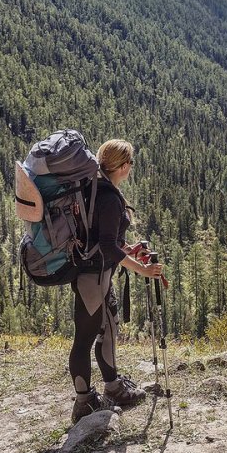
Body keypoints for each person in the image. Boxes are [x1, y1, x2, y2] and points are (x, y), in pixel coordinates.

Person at [69, 138, 164, 424]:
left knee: (107, 329)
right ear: (122, 166)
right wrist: (143, 270)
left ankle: (112, 387)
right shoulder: (109, 198)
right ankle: (85, 402)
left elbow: (103, 240)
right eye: (130, 163)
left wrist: (129, 249)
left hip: (95, 274)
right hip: (94, 277)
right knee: (87, 337)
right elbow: (108, 245)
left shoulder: (96, 188)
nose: (131, 168)